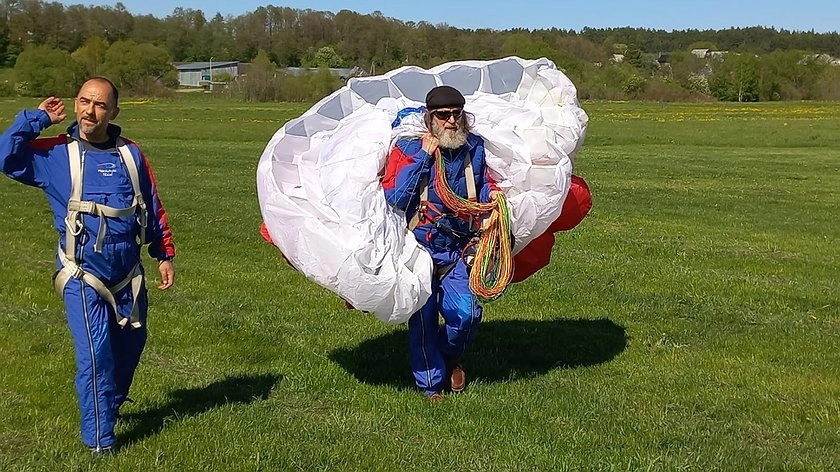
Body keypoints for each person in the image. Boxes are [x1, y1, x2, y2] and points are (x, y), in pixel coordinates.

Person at [0, 77, 175, 453]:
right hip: (82, 274)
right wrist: (35, 119)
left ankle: (109, 406)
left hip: (127, 274)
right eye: (84, 101)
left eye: (99, 105)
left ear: (114, 112)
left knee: (131, 345)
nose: (89, 111)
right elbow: (6, 156)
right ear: (75, 103)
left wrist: (163, 253)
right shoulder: (54, 155)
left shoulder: (131, 155)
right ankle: (100, 442)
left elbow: (150, 203)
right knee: (96, 355)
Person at [382, 85, 500, 402]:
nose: (450, 121)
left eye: (456, 114)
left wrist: (495, 199)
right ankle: (430, 386)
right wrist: (423, 156)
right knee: (423, 322)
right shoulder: (410, 148)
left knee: (467, 315)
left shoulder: (473, 148)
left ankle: (448, 357)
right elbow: (395, 198)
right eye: (443, 115)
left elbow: (483, 187)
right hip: (418, 250)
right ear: (429, 118)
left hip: (457, 248)